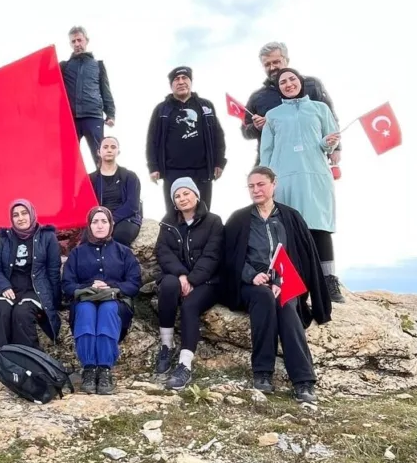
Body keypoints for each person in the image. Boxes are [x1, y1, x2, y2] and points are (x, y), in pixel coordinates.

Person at [221, 167, 331, 404]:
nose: (256, 190)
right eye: (251, 186)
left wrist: (281, 280)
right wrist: (251, 275)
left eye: (261, 184)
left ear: (273, 184)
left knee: (287, 308)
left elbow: (303, 257)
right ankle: (262, 372)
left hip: (284, 280)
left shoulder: (290, 217)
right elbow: (228, 257)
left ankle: (303, 381)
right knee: (263, 298)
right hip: (250, 284)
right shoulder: (239, 219)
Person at [260, 68, 345, 303]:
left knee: (320, 227)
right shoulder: (273, 115)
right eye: (283, 82)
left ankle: (329, 282)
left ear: (300, 82)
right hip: (284, 177)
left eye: (292, 79)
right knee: (287, 229)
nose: (288, 84)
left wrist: (329, 143)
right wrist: (264, 180)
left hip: (315, 174)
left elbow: (331, 140)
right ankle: (287, 281)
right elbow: (266, 150)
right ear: (278, 88)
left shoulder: (320, 109)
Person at [0, 199, 61, 383]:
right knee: (1, 310)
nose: (20, 218)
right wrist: (4, 286)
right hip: (9, 288)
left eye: (24, 213)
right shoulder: (5, 238)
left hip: (34, 290)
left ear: (32, 214)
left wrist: (55, 302)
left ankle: (27, 360)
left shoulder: (47, 237)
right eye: (16, 215)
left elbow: (53, 271)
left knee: (22, 313)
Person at [61, 207, 141, 395]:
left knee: (107, 310)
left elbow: (134, 282)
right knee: (86, 311)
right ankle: (89, 368)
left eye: (104, 221)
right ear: (89, 225)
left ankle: (104, 369)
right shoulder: (77, 253)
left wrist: (111, 286)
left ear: (111, 224)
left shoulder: (124, 252)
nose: (99, 225)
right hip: (85, 301)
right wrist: (89, 286)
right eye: (95, 221)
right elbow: (67, 284)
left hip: (115, 301)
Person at [154, 177, 224, 390]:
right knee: (167, 286)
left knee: (189, 305)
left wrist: (193, 280)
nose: (182, 198)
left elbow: (212, 255)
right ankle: (167, 345)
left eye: (186, 193)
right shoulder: (168, 223)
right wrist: (182, 276)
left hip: (209, 281)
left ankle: (184, 365)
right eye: (177, 195)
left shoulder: (213, 221)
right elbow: (163, 252)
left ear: (196, 194)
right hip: (178, 276)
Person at [242, 41, 341, 170]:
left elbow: (330, 118)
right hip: (273, 164)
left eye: (276, 62)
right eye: (267, 64)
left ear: (286, 60)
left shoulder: (311, 85)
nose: (272, 67)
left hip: (311, 160)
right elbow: (245, 131)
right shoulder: (257, 98)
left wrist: (336, 148)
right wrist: (256, 127)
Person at [146, 66, 227, 211]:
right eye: (176, 79)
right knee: (175, 214)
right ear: (171, 85)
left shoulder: (205, 106)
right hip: (173, 171)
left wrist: (219, 162)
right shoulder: (162, 109)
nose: (181, 82)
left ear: (191, 81)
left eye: (185, 78)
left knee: (203, 212)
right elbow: (152, 140)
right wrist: (153, 166)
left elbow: (218, 135)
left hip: (202, 170)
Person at [60, 26, 116, 168]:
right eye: (73, 41)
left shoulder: (98, 65)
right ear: (70, 44)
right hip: (71, 118)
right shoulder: (64, 66)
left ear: (86, 40)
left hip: (93, 117)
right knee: (68, 158)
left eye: (80, 40)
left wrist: (110, 114)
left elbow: (105, 90)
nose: (77, 44)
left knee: (100, 157)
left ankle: (104, 189)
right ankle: (71, 189)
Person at [89, 136, 142, 246]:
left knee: (118, 239)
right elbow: (86, 203)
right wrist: (101, 220)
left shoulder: (130, 176)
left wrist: (111, 220)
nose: (109, 150)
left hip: (126, 218)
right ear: (99, 152)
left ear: (118, 152)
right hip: (100, 218)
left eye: (113, 147)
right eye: (105, 147)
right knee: (88, 242)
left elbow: (133, 205)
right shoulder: (91, 179)